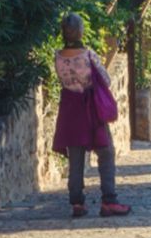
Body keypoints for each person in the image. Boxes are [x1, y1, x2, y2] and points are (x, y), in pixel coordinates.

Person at [52, 13, 130, 218]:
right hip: (91, 109)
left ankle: (77, 203)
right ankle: (109, 200)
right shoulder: (88, 55)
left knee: (76, 157)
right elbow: (106, 79)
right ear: (80, 31)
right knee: (106, 152)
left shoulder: (58, 57)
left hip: (70, 109)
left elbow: (63, 80)